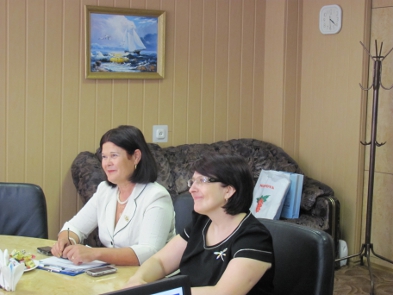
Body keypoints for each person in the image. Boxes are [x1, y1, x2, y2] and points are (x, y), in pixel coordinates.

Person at [125, 153, 275, 295]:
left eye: (202, 181)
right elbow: (160, 262)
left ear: (228, 190)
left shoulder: (254, 237)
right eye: (193, 181)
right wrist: (139, 280)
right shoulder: (201, 223)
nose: (191, 189)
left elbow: (222, 293)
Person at [51, 125, 175, 266]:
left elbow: (149, 252)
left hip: (153, 278)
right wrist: (67, 240)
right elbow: (75, 227)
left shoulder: (156, 196)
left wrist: (95, 253)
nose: (107, 163)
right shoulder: (105, 191)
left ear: (136, 157)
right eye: (104, 157)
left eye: (114, 156)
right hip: (114, 273)